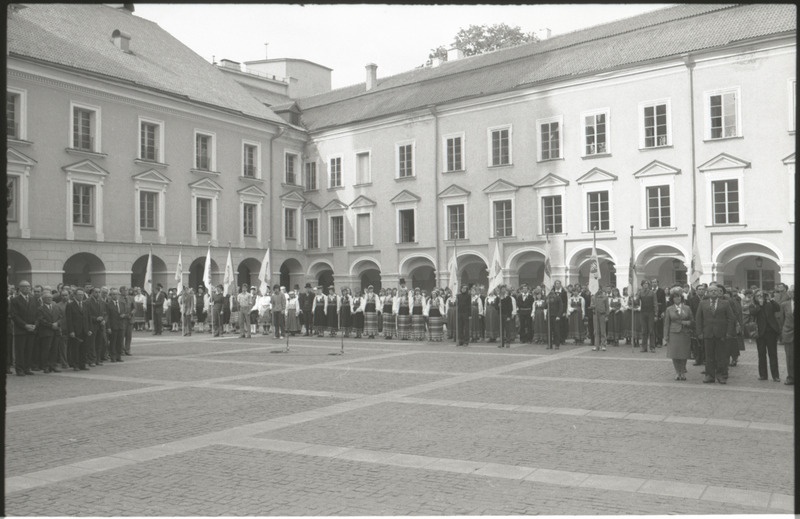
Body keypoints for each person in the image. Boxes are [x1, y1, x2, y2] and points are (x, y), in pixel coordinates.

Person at [695, 283, 736, 384]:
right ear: (707, 293)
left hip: (721, 334)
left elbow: (731, 318)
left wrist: (729, 332)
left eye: (715, 290)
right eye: (711, 291)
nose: (713, 292)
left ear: (719, 292)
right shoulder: (703, 303)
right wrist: (699, 332)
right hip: (708, 333)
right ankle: (709, 375)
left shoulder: (725, 303)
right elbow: (698, 318)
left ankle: (721, 375)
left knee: (721, 356)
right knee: (709, 356)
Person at [749, 289, 781, 382]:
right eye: (758, 296)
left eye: (761, 295)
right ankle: (763, 375)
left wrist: (770, 299)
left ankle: (775, 376)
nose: (760, 297)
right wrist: (760, 305)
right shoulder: (753, 305)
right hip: (759, 333)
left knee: (773, 354)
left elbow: (777, 308)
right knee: (761, 354)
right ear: (755, 297)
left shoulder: (770, 303)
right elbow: (753, 312)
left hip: (771, 332)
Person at [663, 287, 694, 381]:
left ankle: (683, 371)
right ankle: (677, 372)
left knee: (684, 353)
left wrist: (687, 323)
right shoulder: (669, 309)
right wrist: (666, 335)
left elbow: (692, 320)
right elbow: (666, 323)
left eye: (679, 297)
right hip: (673, 333)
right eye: (675, 297)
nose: (678, 299)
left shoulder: (687, 308)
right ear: (672, 299)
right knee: (675, 353)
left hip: (685, 333)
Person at [65, 288, 92, 371]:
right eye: (79, 294)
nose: (81, 296)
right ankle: (75, 365)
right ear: (75, 295)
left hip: (85, 330)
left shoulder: (85, 304)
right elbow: (69, 320)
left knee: (84, 348)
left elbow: (89, 318)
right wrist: (71, 331)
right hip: (75, 331)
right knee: (75, 349)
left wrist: (90, 329)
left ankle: (82, 364)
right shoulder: (70, 305)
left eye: (82, 294)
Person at [36, 289, 61, 373]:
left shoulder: (56, 307)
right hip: (46, 332)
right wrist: (51, 325)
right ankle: (45, 366)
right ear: (43, 299)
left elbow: (61, 317)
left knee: (54, 349)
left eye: (50, 298)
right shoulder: (40, 309)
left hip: (56, 331)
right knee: (46, 350)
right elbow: (41, 320)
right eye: (47, 298)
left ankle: (53, 365)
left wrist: (57, 323)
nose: (49, 299)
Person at [636, 280, 658, 352]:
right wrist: (635, 297)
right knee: (644, 331)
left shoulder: (652, 293)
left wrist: (656, 314)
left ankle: (652, 347)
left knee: (651, 330)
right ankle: (644, 347)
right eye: (644, 284)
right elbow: (637, 302)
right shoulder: (640, 292)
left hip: (651, 313)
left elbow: (655, 303)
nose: (646, 285)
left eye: (647, 284)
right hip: (643, 313)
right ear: (642, 285)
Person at [778, 294, 794, 385]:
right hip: (789, 334)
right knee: (790, 357)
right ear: (790, 294)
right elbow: (782, 320)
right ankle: (791, 378)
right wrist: (783, 333)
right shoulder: (784, 304)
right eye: (793, 292)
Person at [106, 288, 124, 362]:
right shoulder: (108, 304)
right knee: (113, 342)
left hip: (121, 326)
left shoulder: (122, 304)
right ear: (110, 295)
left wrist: (124, 315)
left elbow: (125, 313)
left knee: (120, 342)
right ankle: (113, 356)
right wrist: (108, 327)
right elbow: (107, 317)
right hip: (113, 326)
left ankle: (118, 356)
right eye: (113, 294)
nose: (115, 296)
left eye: (116, 294)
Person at [546, 283, 565, 349]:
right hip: (549, 316)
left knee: (556, 331)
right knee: (549, 331)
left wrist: (558, 316)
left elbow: (561, 307)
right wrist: (546, 302)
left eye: (552, 291)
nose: (551, 292)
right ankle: (549, 344)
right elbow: (545, 307)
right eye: (550, 291)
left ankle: (557, 344)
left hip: (556, 316)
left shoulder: (558, 298)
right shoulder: (547, 298)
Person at [591, 285, 610, 351]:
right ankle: (596, 345)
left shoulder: (605, 297)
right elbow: (591, 305)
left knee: (603, 331)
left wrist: (607, 316)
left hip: (602, 315)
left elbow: (607, 307)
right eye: (597, 289)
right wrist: (594, 306)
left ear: (601, 289)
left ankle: (603, 345)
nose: (599, 290)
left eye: (600, 289)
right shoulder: (593, 297)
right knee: (596, 331)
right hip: (595, 315)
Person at [119, 286, 133, 355]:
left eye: (127, 290)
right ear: (121, 291)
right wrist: (123, 314)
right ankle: (121, 349)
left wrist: (131, 313)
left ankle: (127, 349)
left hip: (129, 319)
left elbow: (134, 308)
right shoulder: (119, 299)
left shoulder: (131, 298)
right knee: (122, 335)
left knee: (129, 335)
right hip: (122, 319)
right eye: (124, 290)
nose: (126, 291)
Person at [653, 279, 666, 347]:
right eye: (653, 282)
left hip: (660, 310)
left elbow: (664, 302)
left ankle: (659, 342)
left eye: (655, 282)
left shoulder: (661, 291)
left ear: (657, 283)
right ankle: (653, 342)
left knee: (659, 326)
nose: (654, 283)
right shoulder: (651, 291)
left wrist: (663, 311)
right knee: (653, 327)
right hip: (652, 311)